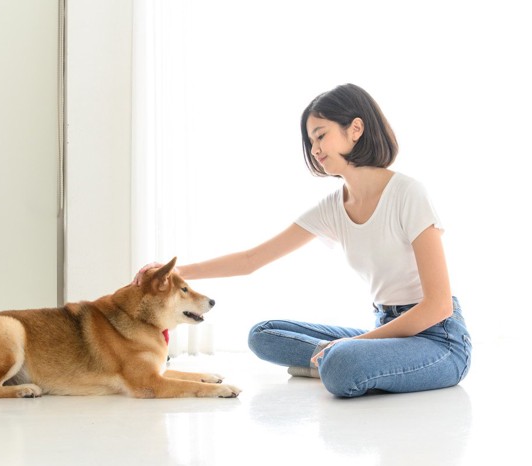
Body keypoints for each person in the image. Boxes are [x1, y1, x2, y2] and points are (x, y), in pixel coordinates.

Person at [134, 83, 472, 398]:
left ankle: (338, 362)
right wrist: (171, 274)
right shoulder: (334, 207)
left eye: (321, 135)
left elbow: (438, 305)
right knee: (263, 334)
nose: (315, 149)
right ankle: (340, 360)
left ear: (355, 129)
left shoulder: (407, 193)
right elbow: (252, 260)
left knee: (344, 364)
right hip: (386, 327)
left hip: (438, 339)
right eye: (311, 141)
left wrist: (355, 346)